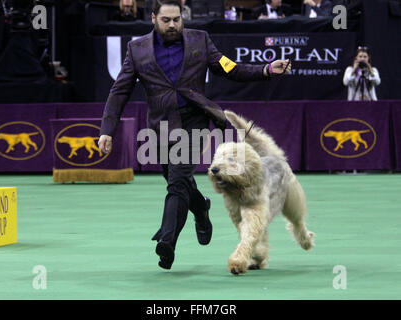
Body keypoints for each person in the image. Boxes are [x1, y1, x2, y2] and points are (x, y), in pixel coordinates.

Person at [98, 0, 291, 270]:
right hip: (161, 127)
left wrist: (265, 70)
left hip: (196, 121)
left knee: (177, 183)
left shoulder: (200, 40)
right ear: (153, 18)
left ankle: (167, 242)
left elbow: (228, 68)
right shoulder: (137, 48)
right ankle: (201, 208)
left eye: (177, 19)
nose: (173, 24)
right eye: (166, 20)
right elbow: (119, 91)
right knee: (180, 182)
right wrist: (107, 130)